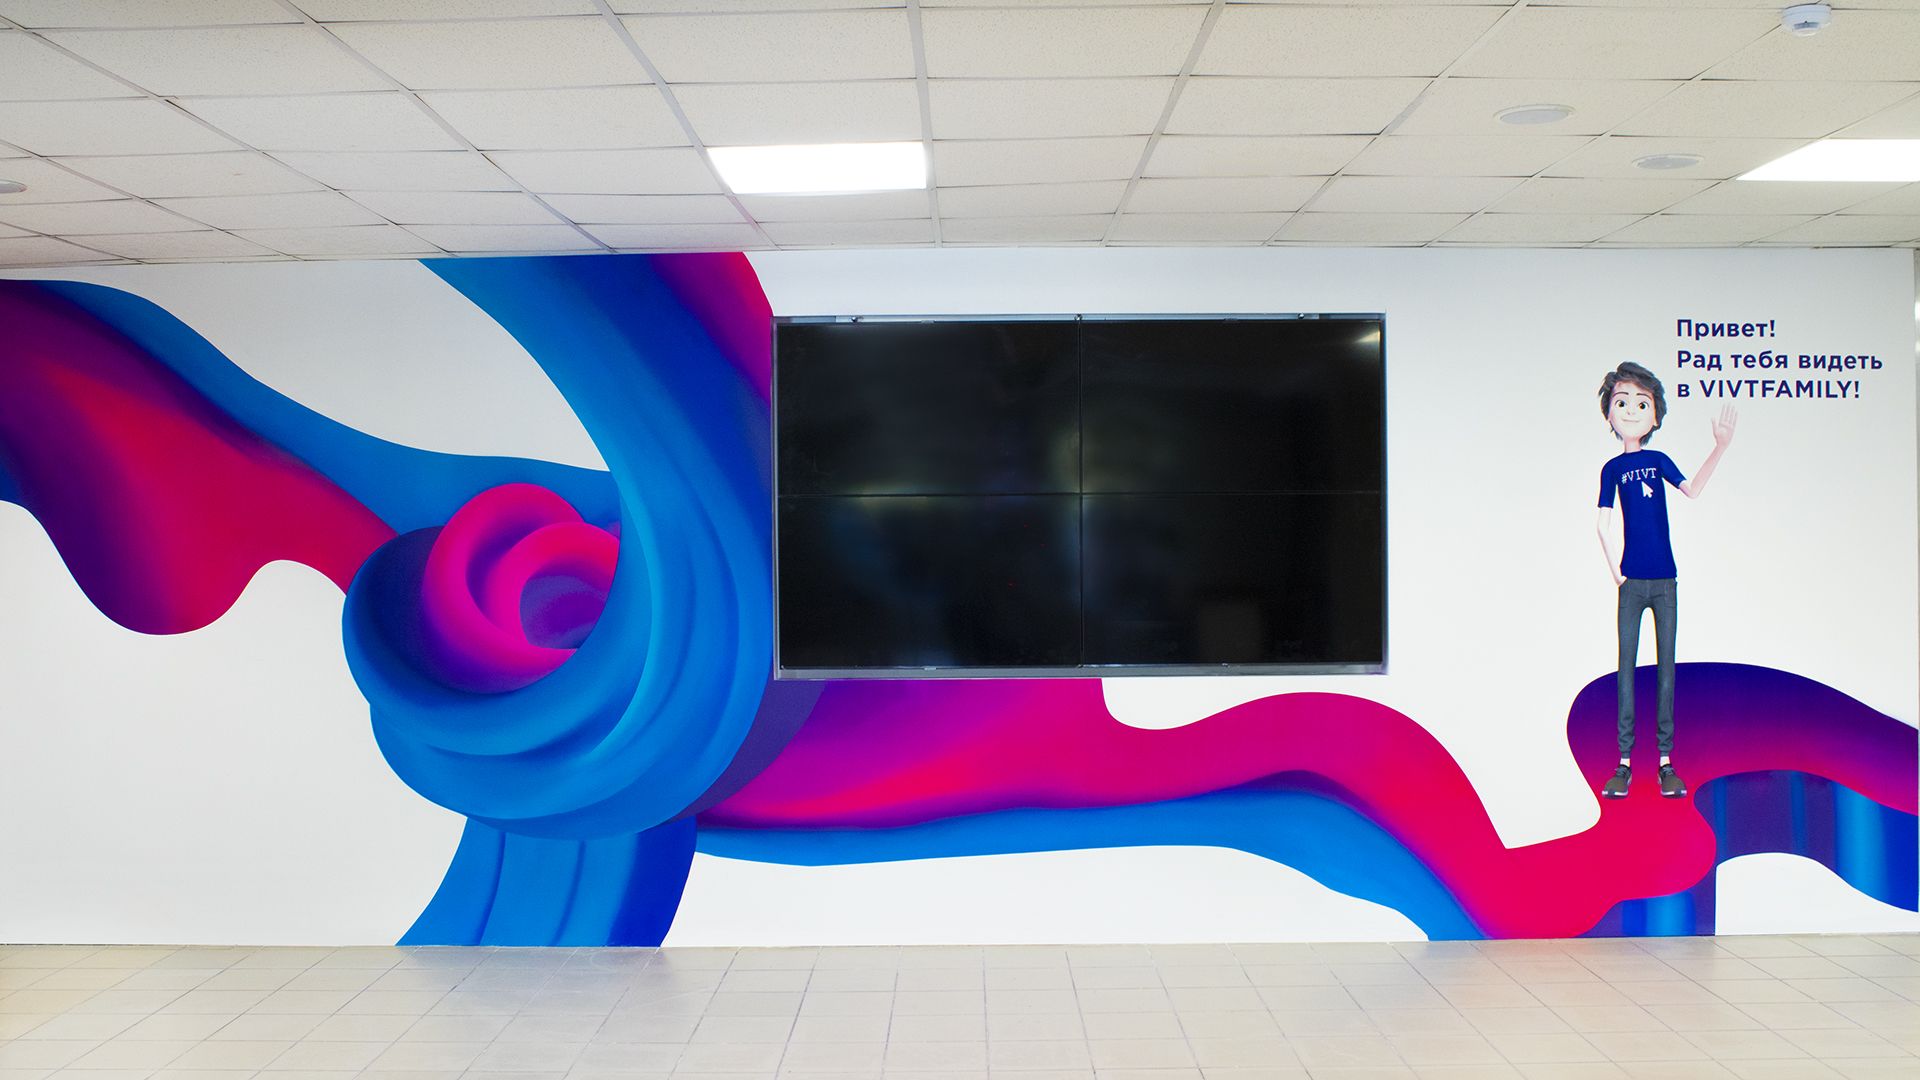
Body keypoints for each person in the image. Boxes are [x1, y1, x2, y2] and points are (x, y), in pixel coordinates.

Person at [1593, 362, 1736, 799]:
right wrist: (1618, 574)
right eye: (1622, 402)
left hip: (1665, 581)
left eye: (1642, 403)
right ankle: (1623, 763)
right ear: (1610, 413)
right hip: (1632, 583)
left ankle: (1665, 762)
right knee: (1626, 670)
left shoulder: (1658, 461)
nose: (1631, 411)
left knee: (1666, 670)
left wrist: (1720, 448)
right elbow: (1602, 523)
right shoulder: (1612, 469)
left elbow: (1691, 489)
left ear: (1655, 415)